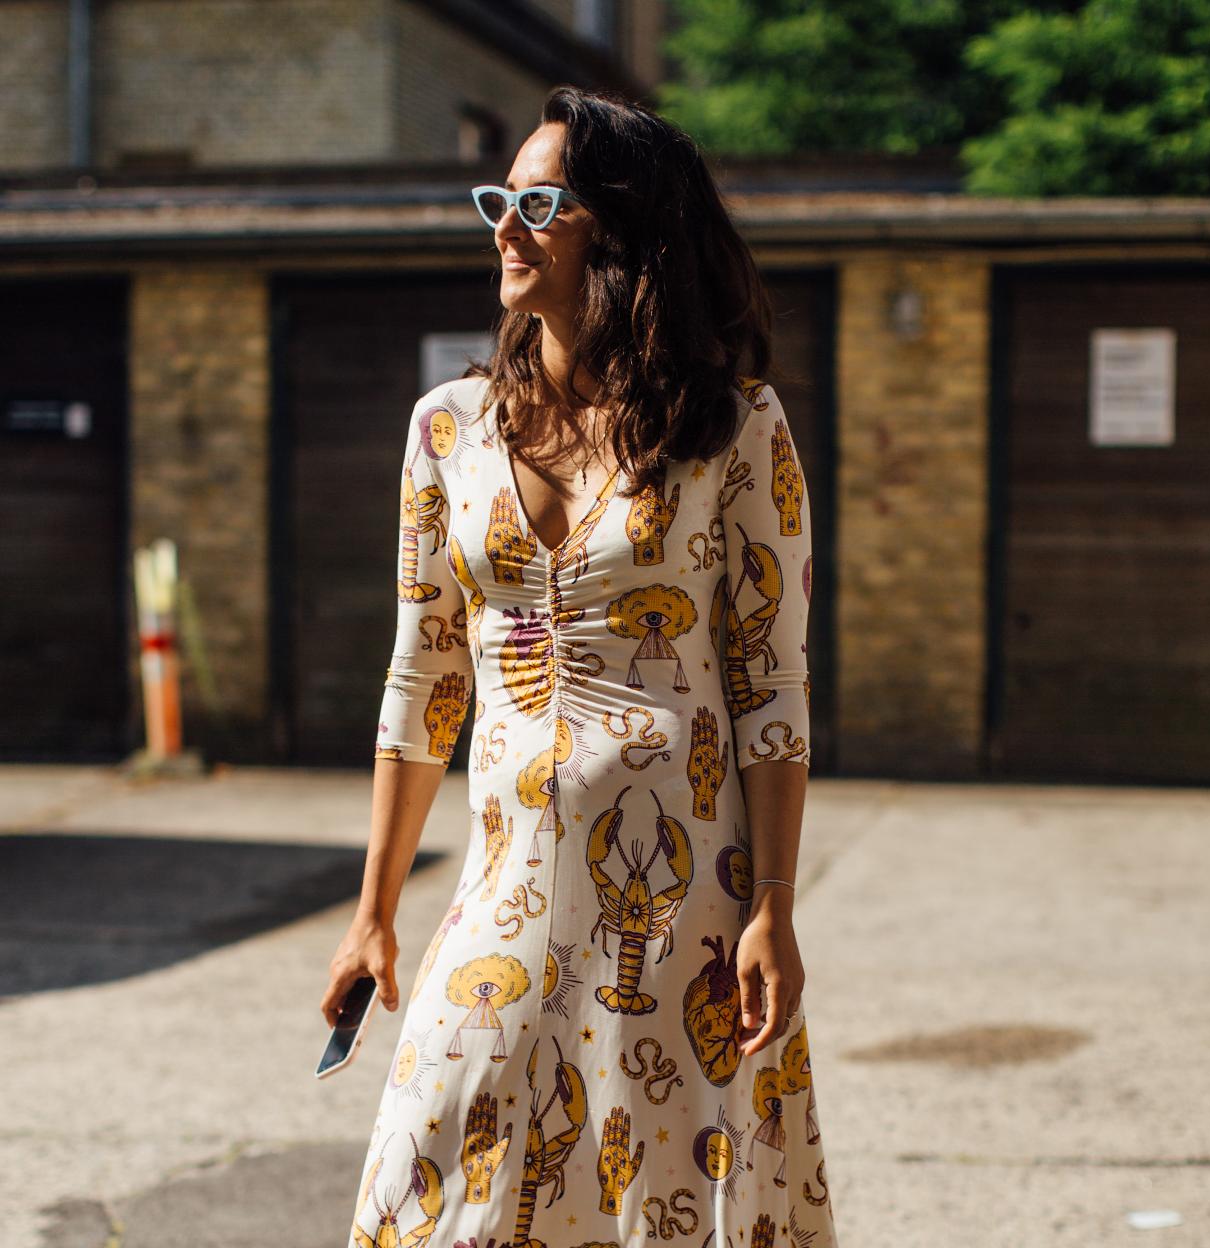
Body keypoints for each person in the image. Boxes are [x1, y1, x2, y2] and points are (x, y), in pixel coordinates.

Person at [323, 84, 840, 1248]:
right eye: (498, 198)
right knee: (430, 1173)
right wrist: (372, 912)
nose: (506, 225)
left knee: (656, 1202)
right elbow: (424, 679)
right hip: (502, 887)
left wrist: (772, 908)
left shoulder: (736, 428)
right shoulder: (445, 429)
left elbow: (771, 688)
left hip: (684, 908)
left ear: (623, 230)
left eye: (541, 202)